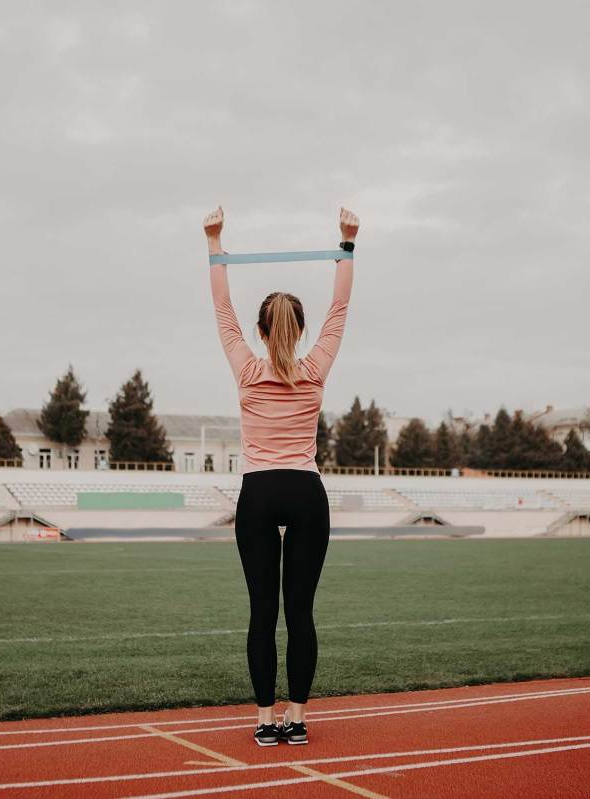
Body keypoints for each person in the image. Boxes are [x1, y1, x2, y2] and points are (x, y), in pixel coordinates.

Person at [203, 205, 358, 746]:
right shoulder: (315, 369)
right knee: (301, 612)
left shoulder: (247, 367)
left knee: (262, 613)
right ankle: (297, 718)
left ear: (261, 329)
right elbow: (340, 308)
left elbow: (222, 308)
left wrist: (215, 242)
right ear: (302, 330)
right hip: (305, 492)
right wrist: (347, 245)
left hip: (260, 493)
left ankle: (267, 722)